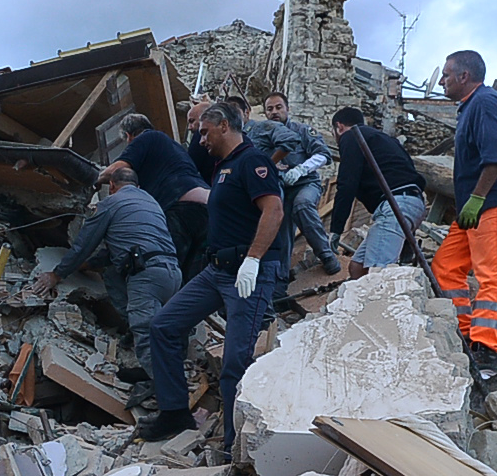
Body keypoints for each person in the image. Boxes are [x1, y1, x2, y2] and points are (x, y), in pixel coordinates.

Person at [140, 103, 288, 447]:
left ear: (224, 125)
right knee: (163, 326)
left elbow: (274, 209)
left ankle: (235, 447)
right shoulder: (223, 166)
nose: (201, 139)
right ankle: (174, 412)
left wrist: (253, 259)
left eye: (204, 132)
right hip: (216, 271)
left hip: (247, 274)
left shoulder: (253, 161)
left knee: (235, 363)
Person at [434, 50, 497, 386]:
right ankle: (464, 334)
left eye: (447, 74)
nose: (442, 80)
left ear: (464, 76)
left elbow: (496, 158)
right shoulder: (470, 107)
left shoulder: (486, 103)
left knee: (492, 274)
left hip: (496, 200)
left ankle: (486, 351)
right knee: (446, 266)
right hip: (476, 204)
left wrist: (477, 199)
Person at [28, 163, 180, 349]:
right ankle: (136, 332)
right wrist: (89, 265)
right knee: (112, 274)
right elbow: (121, 250)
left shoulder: (110, 203)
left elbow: (84, 245)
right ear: (137, 187)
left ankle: (152, 360)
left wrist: (56, 274)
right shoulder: (152, 203)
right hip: (173, 274)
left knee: (147, 340)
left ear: (112, 186)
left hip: (146, 277)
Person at [328, 106, 430, 276]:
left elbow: (347, 184)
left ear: (339, 126)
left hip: (395, 204)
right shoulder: (384, 139)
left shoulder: (351, 136)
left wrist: (336, 229)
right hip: (412, 203)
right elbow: (406, 173)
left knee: (377, 272)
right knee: (357, 267)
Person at [111, 112, 208, 275]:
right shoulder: (173, 147)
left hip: (181, 208)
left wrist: (96, 179)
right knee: (193, 276)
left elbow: (118, 169)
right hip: (209, 208)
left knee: (164, 267)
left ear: (129, 136)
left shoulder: (146, 137)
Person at [259, 91, 341, 275]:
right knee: (280, 232)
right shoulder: (262, 137)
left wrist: (301, 170)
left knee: (302, 205)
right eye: (270, 109)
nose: (274, 112)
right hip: (280, 190)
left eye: (278, 107)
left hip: (306, 184)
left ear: (287, 109)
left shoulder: (302, 130)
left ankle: (326, 254)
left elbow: (323, 154)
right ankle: (280, 281)